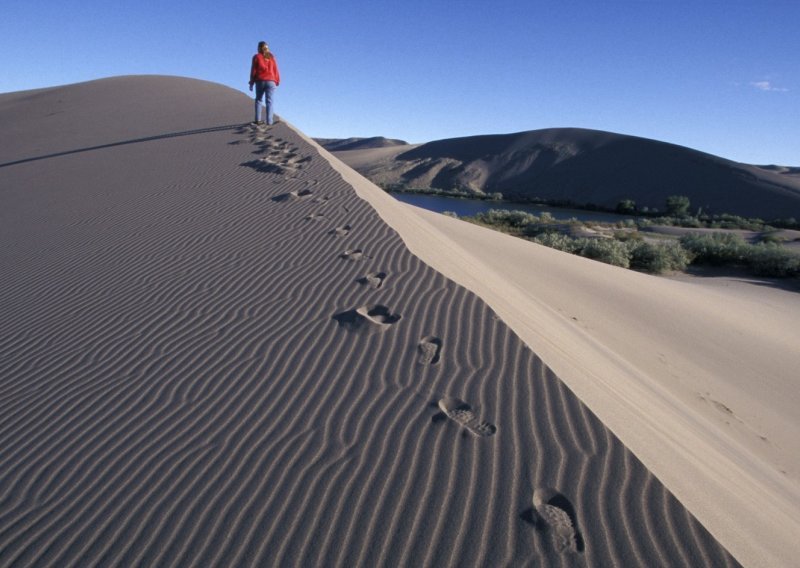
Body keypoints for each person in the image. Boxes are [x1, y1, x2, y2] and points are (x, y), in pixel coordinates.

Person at [249, 41, 281, 125]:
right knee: (269, 101)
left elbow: (253, 71)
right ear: (267, 48)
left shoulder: (256, 57)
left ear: (259, 48)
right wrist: (277, 80)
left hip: (260, 81)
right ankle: (269, 121)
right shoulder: (271, 57)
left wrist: (251, 82)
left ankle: (257, 120)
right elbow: (276, 70)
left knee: (259, 100)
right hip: (271, 81)